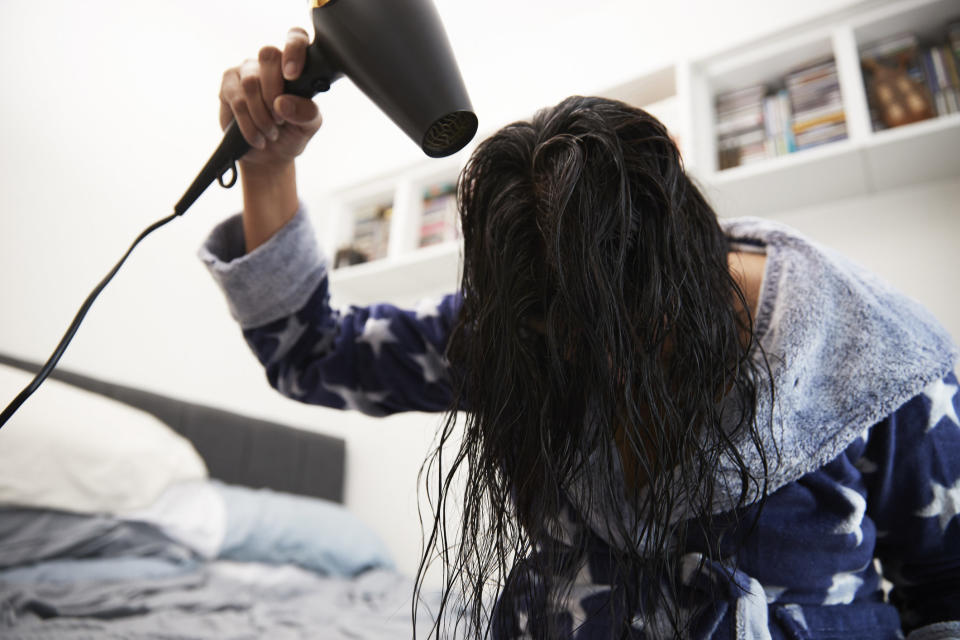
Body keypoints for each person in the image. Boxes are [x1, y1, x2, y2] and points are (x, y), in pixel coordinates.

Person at [199, 28, 960, 640]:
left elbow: (946, 593)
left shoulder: (886, 363)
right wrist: (268, 170)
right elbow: (312, 353)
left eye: (621, 342)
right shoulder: (516, 329)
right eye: (556, 344)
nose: (585, 367)